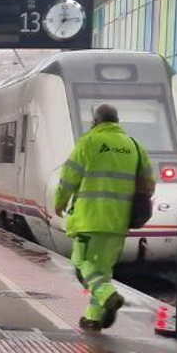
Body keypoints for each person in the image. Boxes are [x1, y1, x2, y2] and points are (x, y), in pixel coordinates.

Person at [52, 103, 155, 333]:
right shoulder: (134, 146)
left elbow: (69, 176)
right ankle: (94, 319)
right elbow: (149, 183)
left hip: (89, 219)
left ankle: (109, 296)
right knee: (103, 270)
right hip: (118, 222)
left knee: (81, 264)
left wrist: (60, 201)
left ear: (96, 122)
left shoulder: (89, 142)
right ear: (117, 121)